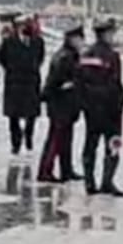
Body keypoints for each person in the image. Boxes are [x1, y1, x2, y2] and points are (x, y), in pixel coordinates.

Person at [78, 17, 123, 197]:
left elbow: (80, 82)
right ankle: (107, 181)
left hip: (92, 109)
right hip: (110, 110)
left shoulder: (86, 55)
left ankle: (90, 182)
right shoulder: (112, 56)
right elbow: (115, 84)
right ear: (105, 34)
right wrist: (120, 102)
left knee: (90, 145)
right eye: (111, 33)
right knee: (113, 145)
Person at [38, 25, 85, 183]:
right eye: (79, 39)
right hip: (61, 104)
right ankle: (45, 170)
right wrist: (64, 86)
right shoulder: (65, 57)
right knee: (55, 139)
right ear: (72, 39)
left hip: (68, 105)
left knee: (66, 139)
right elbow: (54, 81)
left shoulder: (71, 55)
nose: (82, 42)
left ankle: (67, 169)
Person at [0, 17, 43, 155]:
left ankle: (29, 137)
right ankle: (16, 141)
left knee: (31, 114)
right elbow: (3, 59)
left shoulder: (38, 42)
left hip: (31, 81)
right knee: (13, 115)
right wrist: (13, 69)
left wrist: (33, 68)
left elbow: (40, 58)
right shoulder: (8, 42)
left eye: (27, 25)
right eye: (22, 25)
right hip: (14, 82)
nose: (24, 28)